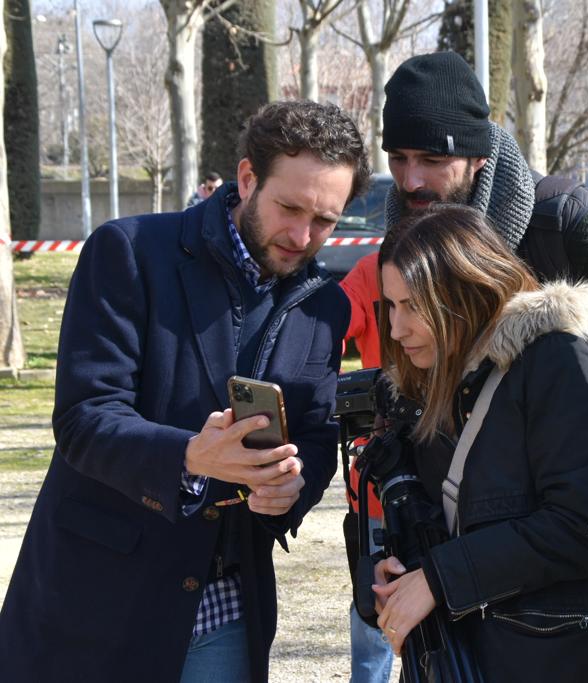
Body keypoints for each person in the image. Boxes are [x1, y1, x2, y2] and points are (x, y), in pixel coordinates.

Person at [0, 101, 371, 683]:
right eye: (290, 208)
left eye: (325, 220)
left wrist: (293, 489)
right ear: (247, 178)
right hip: (97, 604)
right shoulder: (129, 251)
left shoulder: (327, 304)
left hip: (227, 606)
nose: (303, 236)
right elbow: (85, 416)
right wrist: (189, 457)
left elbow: (319, 432)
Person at [380, 51, 588, 492]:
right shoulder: (403, 239)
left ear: (479, 156)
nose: (411, 180)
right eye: (398, 158)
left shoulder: (576, 227)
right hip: (483, 531)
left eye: (432, 159)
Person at [370, 204, 588, 682]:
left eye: (411, 306)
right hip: (465, 655)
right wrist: (405, 567)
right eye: (389, 305)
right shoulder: (437, 372)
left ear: (466, 293)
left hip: (553, 658)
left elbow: (584, 526)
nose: (395, 329)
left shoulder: (557, 360)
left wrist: (439, 577)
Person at [338, 250, 395, 682]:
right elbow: (328, 329)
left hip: (451, 477)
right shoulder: (371, 269)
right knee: (374, 609)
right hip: (380, 485)